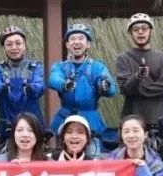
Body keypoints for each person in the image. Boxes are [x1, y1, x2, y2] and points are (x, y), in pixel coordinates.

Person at [49, 23, 117, 152]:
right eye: (72, 39)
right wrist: (64, 84)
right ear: (67, 44)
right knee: (62, 156)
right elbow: (53, 79)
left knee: (93, 155)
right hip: (65, 118)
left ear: (88, 44)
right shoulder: (60, 67)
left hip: (90, 119)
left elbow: (111, 89)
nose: (76, 42)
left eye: (81, 38)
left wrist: (105, 85)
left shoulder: (97, 67)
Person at [0, 26, 45, 145]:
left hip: (32, 124)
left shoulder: (36, 66)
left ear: (24, 45)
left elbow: (39, 86)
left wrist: (30, 88)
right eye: (9, 44)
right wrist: (1, 87)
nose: (14, 47)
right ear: (4, 48)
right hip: (7, 125)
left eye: (18, 43)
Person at [114, 14, 163, 126]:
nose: (140, 32)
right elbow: (124, 89)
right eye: (136, 29)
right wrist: (138, 77)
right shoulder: (123, 59)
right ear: (130, 33)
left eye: (144, 28)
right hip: (132, 118)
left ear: (151, 31)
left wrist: (136, 90)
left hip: (158, 118)